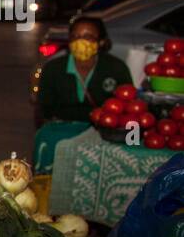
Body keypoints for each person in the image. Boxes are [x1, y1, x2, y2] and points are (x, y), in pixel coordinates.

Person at [33, 16, 133, 172]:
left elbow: (129, 109)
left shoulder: (116, 68)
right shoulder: (53, 69)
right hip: (62, 129)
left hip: (104, 132)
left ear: (101, 42)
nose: (81, 42)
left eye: (88, 37)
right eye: (76, 37)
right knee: (46, 139)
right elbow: (44, 110)